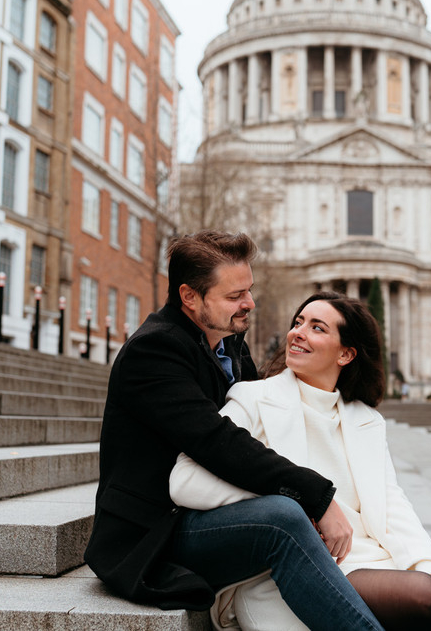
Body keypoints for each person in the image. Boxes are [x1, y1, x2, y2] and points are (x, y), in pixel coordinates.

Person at [170, 292, 431, 631]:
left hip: (371, 553)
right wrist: (296, 504)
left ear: (345, 354)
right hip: (304, 564)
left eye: (317, 328)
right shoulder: (253, 398)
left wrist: (429, 566)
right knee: (428, 597)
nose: (298, 333)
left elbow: (392, 502)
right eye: (298, 323)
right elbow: (186, 483)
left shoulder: (364, 418)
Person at [84, 232, 384, 631]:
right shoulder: (154, 350)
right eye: (234, 295)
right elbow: (217, 442)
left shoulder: (230, 345)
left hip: (212, 509)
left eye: (249, 290)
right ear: (190, 297)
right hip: (157, 530)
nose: (250, 304)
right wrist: (316, 495)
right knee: (283, 517)